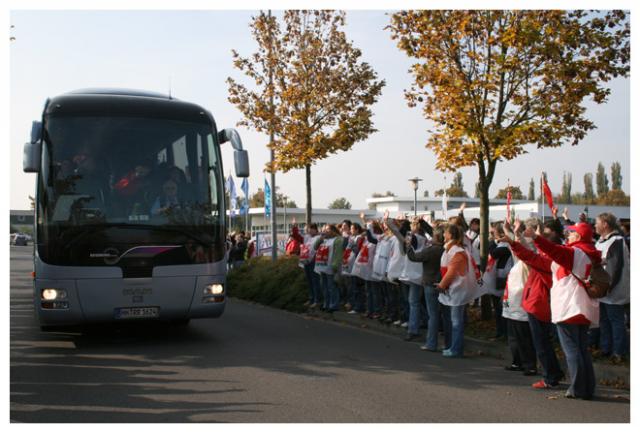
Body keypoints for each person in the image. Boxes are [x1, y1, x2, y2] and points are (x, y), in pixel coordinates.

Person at [529, 222, 600, 400]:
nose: (568, 236)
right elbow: (540, 259)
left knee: (573, 350)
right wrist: (516, 243)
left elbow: (553, 250)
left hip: (570, 307)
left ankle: (578, 389)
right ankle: (587, 387)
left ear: (579, 236)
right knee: (581, 349)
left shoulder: (575, 253)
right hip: (581, 307)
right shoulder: (585, 252)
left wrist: (536, 238)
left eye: (572, 233)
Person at [503, 219, 565, 390]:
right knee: (542, 342)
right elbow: (529, 252)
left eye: (544, 232)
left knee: (542, 343)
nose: (541, 236)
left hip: (539, 303)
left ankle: (551, 376)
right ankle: (553, 373)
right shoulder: (549, 254)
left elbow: (529, 255)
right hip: (536, 301)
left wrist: (515, 240)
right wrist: (513, 238)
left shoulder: (552, 256)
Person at [436, 224, 480, 357]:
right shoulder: (450, 249)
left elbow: (452, 272)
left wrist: (441, 285)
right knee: (453, 321)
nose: (443, 235)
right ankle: (452, 346)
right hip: (452, 290)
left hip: (457, 290)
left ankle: (456, 349)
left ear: (451, 235)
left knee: (456, 322)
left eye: (445, 233)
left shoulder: (457, 251)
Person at [501, 219, 538, 376]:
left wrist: (517, 234)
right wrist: (507, 229)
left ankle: (529, 364)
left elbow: (525, 248)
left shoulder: (530, 261)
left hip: (522, 301)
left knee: (523, 336)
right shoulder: (518, 261)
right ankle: (517, 361)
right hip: (511, 302)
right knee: (513, 336)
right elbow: (514, 247)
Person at [595, 212, 630, 360]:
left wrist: (608, 285)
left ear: (605, 224)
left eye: (597, 223)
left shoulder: (616, 241)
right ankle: (606, 347)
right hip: (603, 288)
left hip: (612, 289)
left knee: (615, 321)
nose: (595, 225)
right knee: (604, 320)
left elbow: (615, 266)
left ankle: (619, 351)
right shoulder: (602, 240)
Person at [405, 224, 446, 351]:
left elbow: (414, 257)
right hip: (444, 283)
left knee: (432, 315)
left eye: (433, 236)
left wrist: (408, 246)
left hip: (430, 284)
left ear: (437, 237)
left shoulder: (431, 250)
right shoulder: (446, 249)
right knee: (444, 314)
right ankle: (447, 342)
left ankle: (431, 343)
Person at [314, 224, 344, 312]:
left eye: (328, 229)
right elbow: (315, 247)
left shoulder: (338, 239)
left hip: (331, 267)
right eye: (325, 229)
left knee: (332, 287)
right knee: (324, 287)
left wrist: (335, 266)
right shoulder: (324, 239)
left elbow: (338, 254)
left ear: (333, 231)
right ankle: (326, 304)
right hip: (322, 266)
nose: (325, 231)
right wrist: (320, 238)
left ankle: (333, 305)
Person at [296, 220, 321, 308]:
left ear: (315, 229)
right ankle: (311, 299)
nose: (309, 231)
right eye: (308, 229)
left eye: (311, 229)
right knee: (310, 281)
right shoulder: (307, 237)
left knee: (315, 281)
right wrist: (295, 227)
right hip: (306, 261)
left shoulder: (319, 237)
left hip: (314, 261)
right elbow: (297, 237)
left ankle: (317, 300)